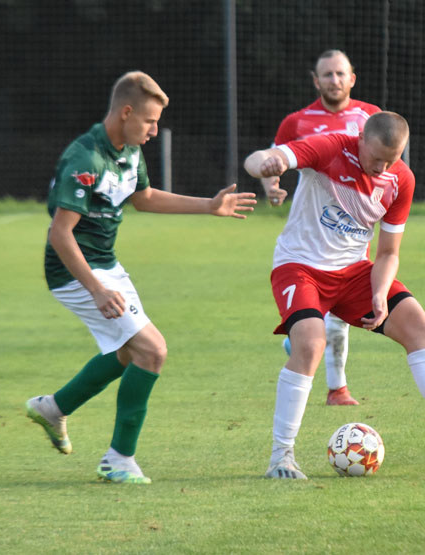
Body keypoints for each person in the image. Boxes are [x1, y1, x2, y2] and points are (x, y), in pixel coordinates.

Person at [244, 111, 425, 480]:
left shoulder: (401, 180)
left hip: (354, 272)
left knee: (420, 328)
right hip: (300, 266)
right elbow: (261, 159)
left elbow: (387, 254)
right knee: (310, 344)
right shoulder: (331, 148)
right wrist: (265, 163)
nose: (382, 167)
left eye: (392, 159)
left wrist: (380, 295)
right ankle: (281, 457)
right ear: (361, 139)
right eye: (376, 157)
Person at [25, 71, 257, 484]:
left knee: (133, 352)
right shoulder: (86, 158)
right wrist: (96, 290)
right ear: (127, 112)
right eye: (149, 121)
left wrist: (209, 206)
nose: (154, 131)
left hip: (106, 265)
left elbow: (144, 198)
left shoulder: (128, 150)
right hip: (73, 269)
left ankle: (54, 408)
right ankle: (118, 460)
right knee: (152, 351)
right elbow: (59, 234)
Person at [263, 49, 381, 406]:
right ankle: (336, 387)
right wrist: (272, 187)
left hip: (350, 232)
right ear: (316, 81)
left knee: (338, 322)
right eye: (327, 75)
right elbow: (274, 160)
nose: (334, 80)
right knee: (322, 323)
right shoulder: (297, 122)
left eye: (340, 74)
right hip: (310, 232)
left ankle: (337, 388)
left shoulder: (370, 117)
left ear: (352, 78)